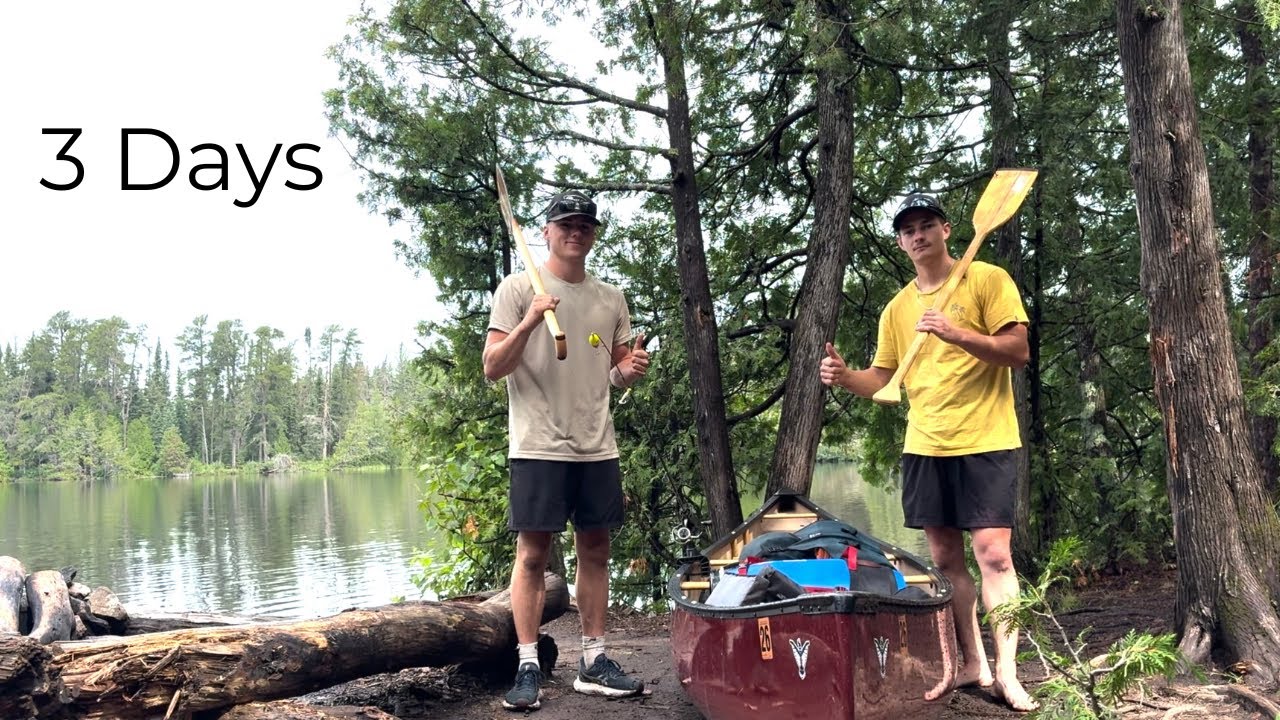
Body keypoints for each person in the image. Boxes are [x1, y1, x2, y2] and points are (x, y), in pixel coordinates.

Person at [818, 191, 1038, 712]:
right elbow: (884, 378)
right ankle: (972, 662)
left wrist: (956, 333)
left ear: (946, 229)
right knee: (945, 559)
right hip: (926, 444)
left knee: (995, 557)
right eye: (907, 230)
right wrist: (846, 377)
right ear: (900, 242)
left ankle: (1009, 673)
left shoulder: (986, 279)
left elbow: (1018, 351)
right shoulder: (898, 308)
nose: (918, 236)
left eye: (926, 225)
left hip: (986, 439)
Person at [483, 190, 649, 711]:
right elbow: (492, 366)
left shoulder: (610, 298)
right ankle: (528, 662)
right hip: (538, 443)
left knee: (596, 549)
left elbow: (618, 372)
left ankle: (594, 660)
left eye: (584, 224)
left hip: (596, 444)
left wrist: (632, 371)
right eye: (565, 223)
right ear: (547, 231)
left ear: (593, 234)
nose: (575, 231)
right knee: (533, 555)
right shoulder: (517, 289)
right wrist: (532, 320)